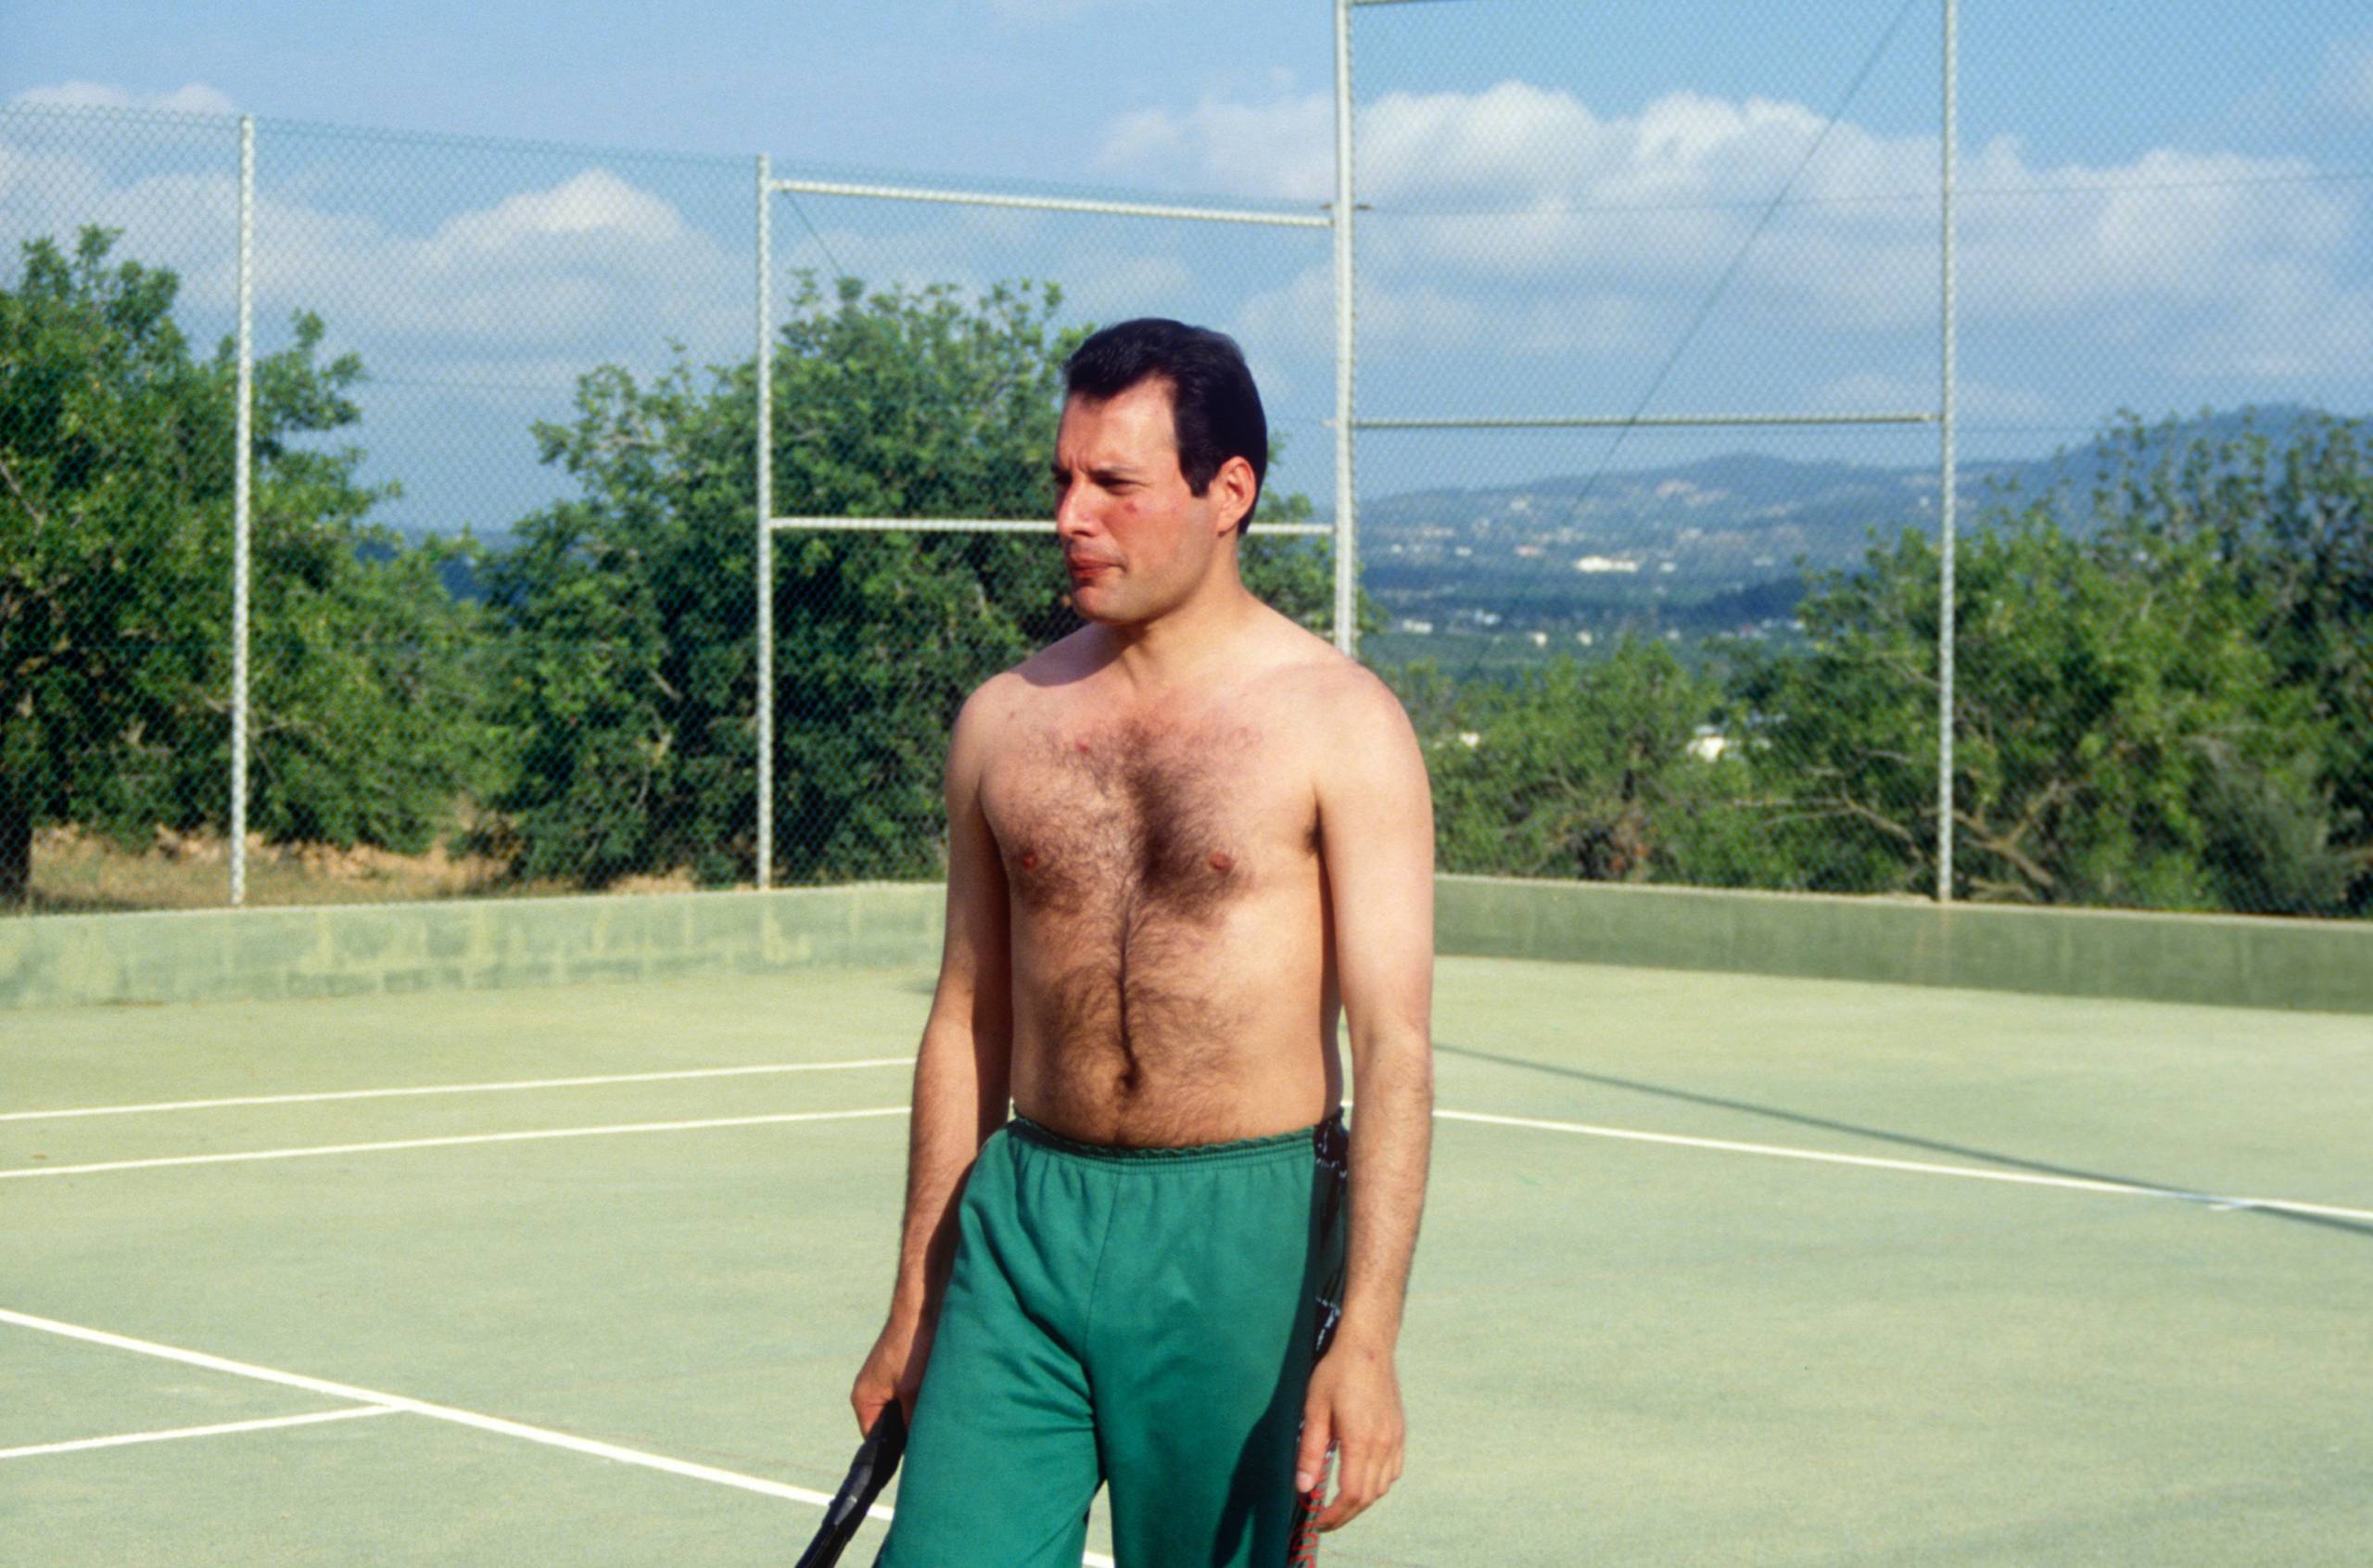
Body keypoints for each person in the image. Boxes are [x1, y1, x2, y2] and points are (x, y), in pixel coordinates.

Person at [850, 318, 1435, 1568]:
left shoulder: (1341, 723)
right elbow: (966, 1019)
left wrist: (1369, 1340)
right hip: (1027, 1224)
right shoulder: (1004, 721)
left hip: (1244, 1237)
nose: (1071, 517)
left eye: (1114, 484)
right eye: (1062, 479)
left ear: (1229, 492)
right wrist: (916, 1300)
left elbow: (1394, 1048)